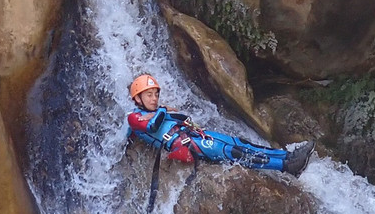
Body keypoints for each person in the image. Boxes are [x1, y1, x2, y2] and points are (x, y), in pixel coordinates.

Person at [127, 74, 315, 176]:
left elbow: (181, 118)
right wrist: (163, 110)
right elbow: (152, 126)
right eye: (149, 95)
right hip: (187, 146)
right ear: (138, 98)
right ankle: (286, 166)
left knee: (241, 143)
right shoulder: (135, 118)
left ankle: (288, 156)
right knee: (232, 152)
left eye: (156, 94)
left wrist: (167, 111)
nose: (154, 98)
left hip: (195, 136)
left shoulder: (160, 110)